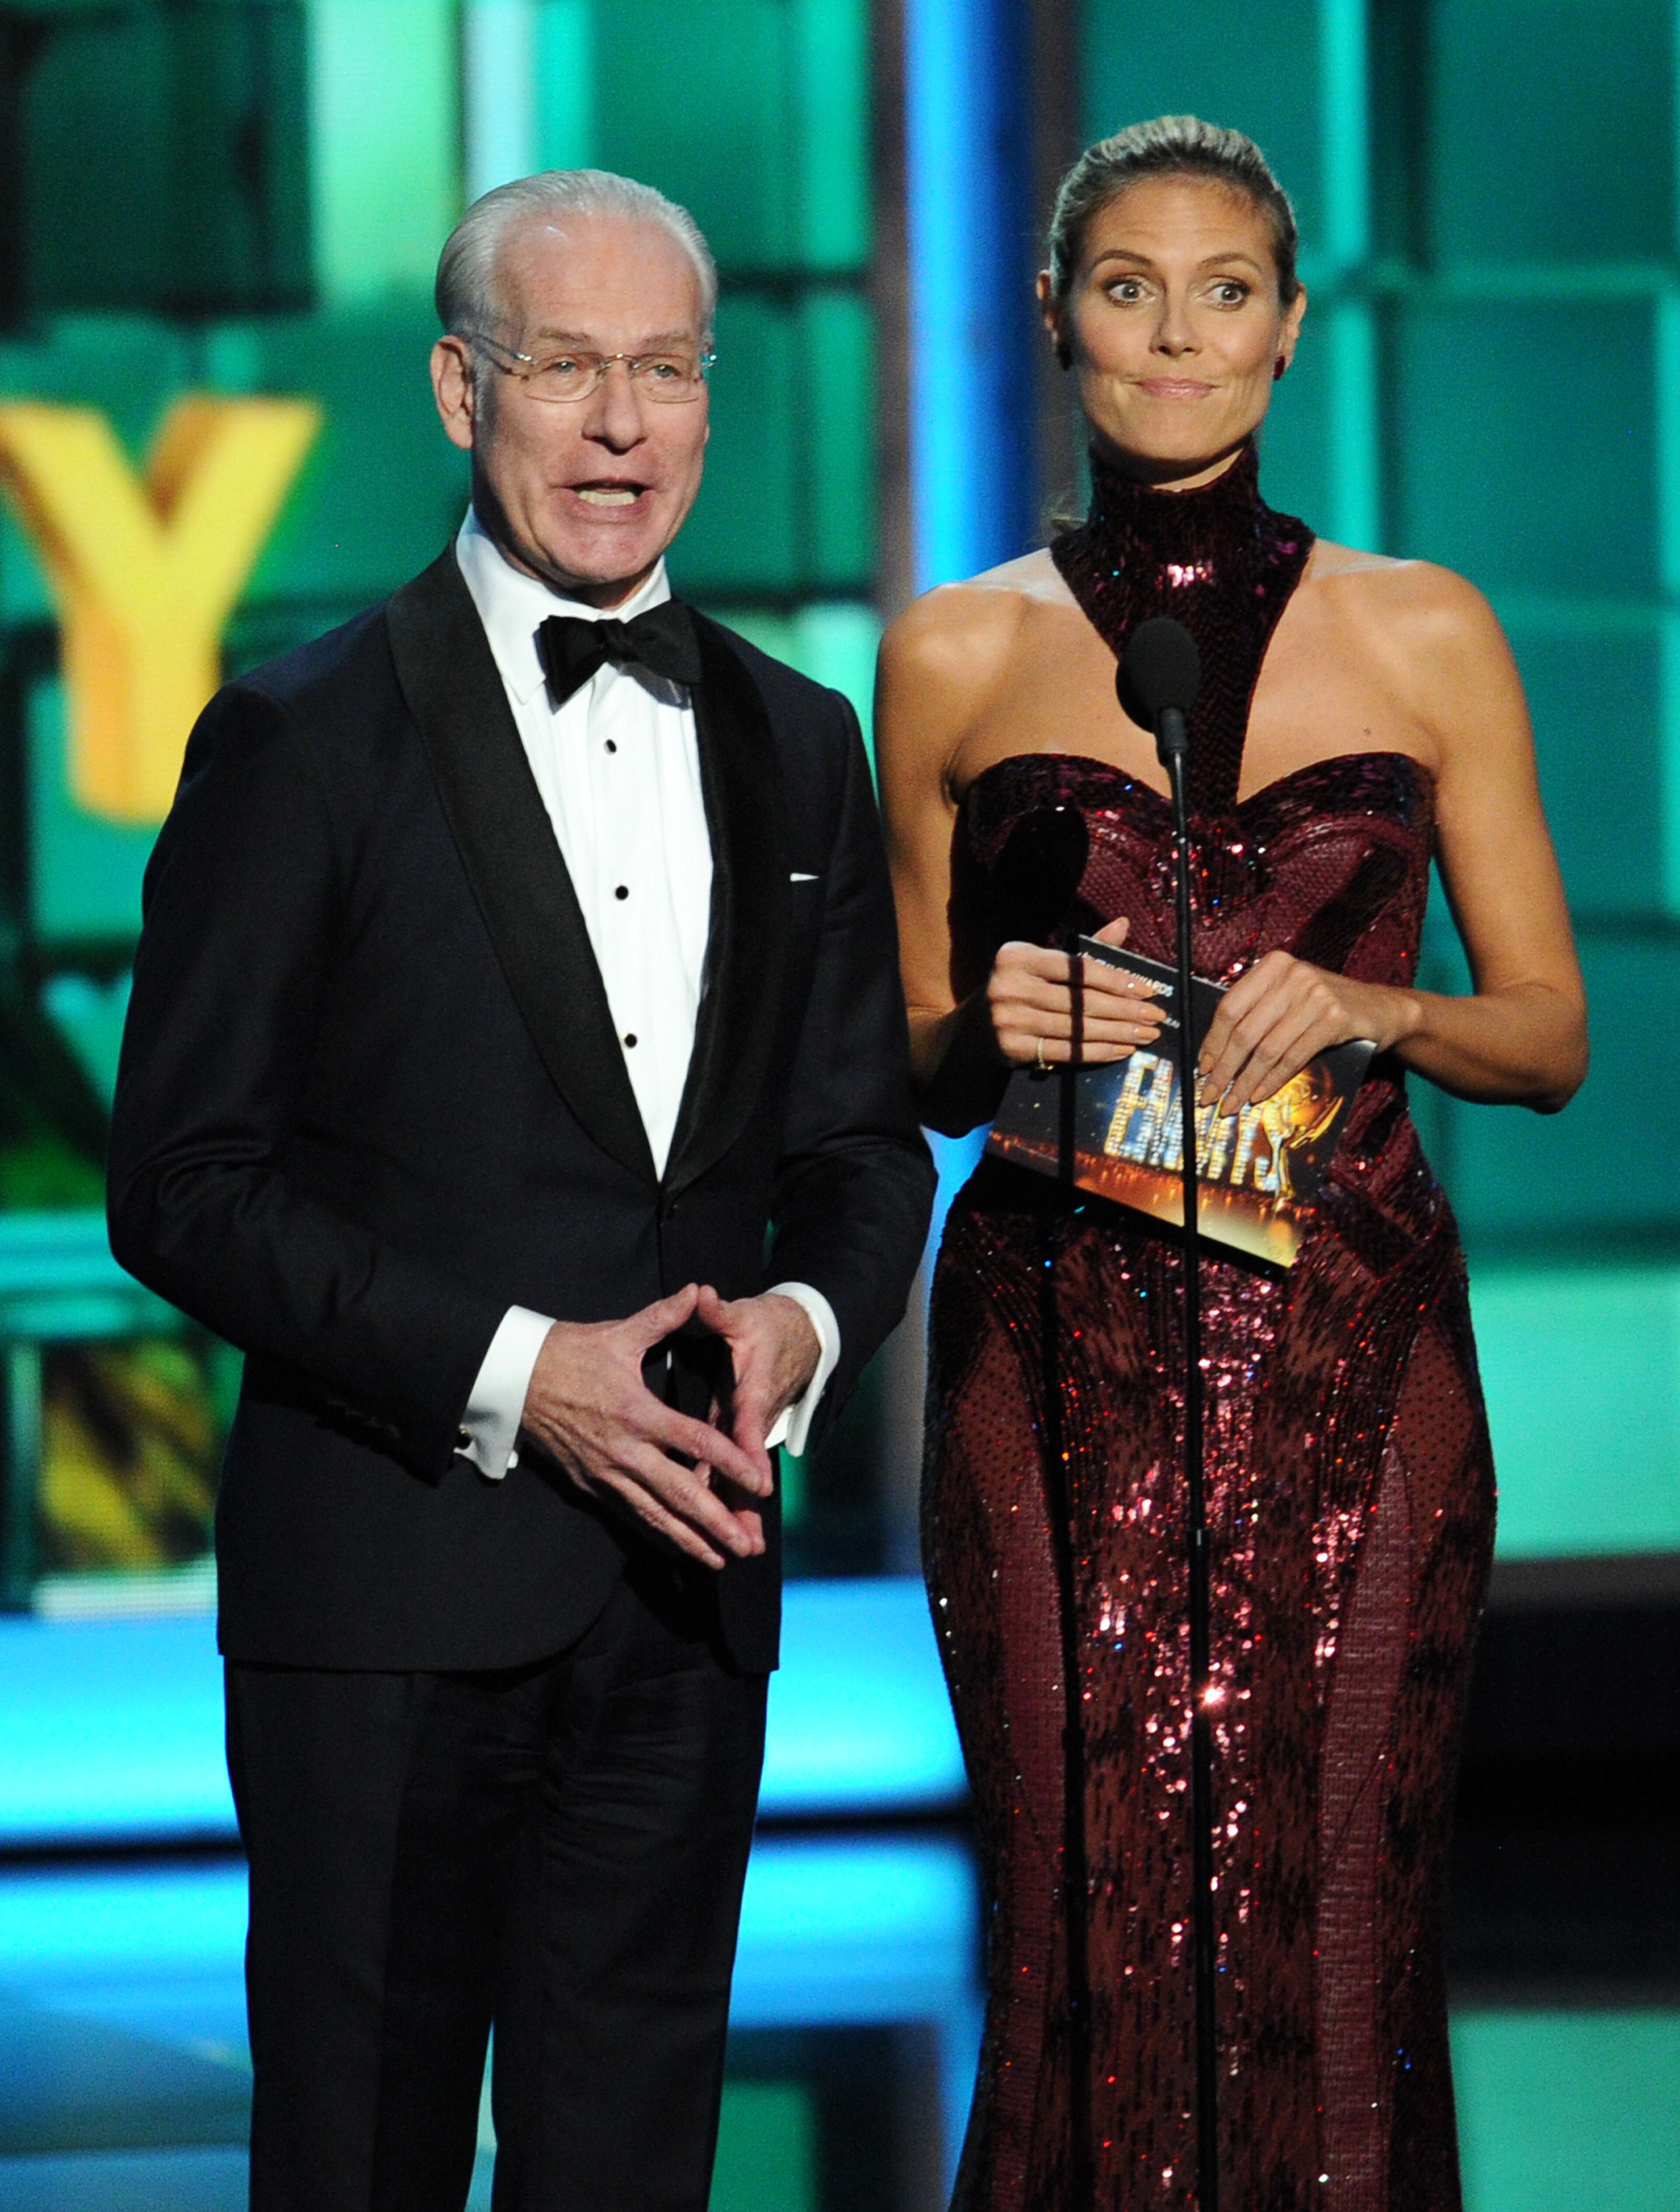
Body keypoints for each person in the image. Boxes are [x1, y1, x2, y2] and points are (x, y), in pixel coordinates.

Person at [108, 168, 933, 2212]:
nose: (626, 426)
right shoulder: (300, 739)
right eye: (570, 369)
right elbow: (182, 1180)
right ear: (462, 391)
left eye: (669, 370)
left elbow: (856, 1150)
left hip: (686, 1599)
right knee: (361, 2159)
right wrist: (519, 1371)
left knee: (632, 2166)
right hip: (386, 1595)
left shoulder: (800, 739)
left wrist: (800, 1323)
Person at [876, 116, 1586, 2211]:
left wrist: (1378, 1009)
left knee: (1340, 1926)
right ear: (1056, 321)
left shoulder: (1430, 629)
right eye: (1127, 289)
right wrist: (981, 1019)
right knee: (1071, 1923)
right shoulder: (948, 652)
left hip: (1357, 1362)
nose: (1175, 336)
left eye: (1224, 294)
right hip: (1052, 1355)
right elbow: (905, 1059)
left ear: (1286, 335)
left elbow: (1549, 1034)